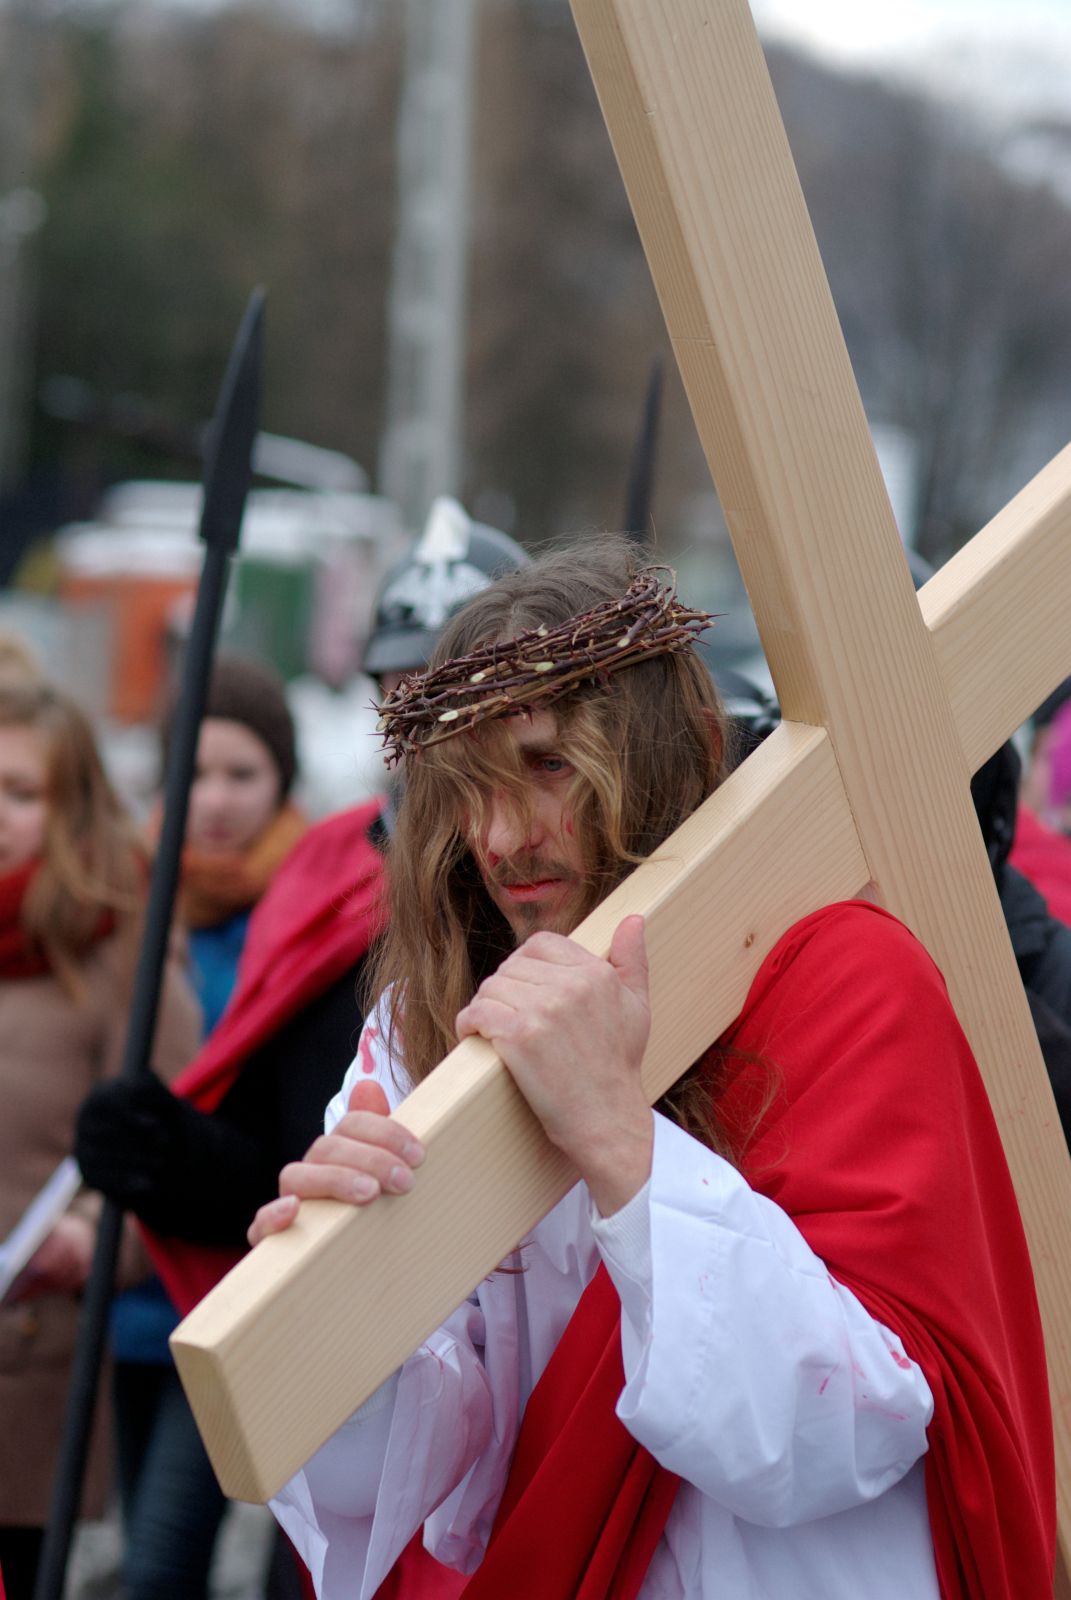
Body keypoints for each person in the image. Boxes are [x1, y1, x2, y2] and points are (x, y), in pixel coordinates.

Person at [251, 540, 1053, 1600]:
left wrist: (623, 1144)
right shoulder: (425, 1030)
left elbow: (846, 1430)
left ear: (660, 752)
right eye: (470, 788)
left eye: (547, 767)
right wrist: (345, 1314)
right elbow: (419, 1486)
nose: (502, 838)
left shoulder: (847, 980)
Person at [75, 504, 530, 1596]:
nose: (425, 716)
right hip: (353, 1341)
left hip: (515, 1332)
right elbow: (270, 1160)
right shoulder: (329, 869)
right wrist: (164, 1150)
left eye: (458, 685)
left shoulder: (552, 885)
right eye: (403, 685)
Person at [100, 650, 306, 1600]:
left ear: (282, 780)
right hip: (128, 1291)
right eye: (195, 773)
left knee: (164, 1563)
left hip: (235, 1291)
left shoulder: (308, 915)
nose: (215, 800)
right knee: (139, 1546)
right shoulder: (126, 904)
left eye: (241, 773)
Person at [0, 675, 200, 1600]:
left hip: (27, 1359)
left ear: (72, 805)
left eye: (21, 792)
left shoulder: (118, 944)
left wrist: (87, 1239)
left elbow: (166, 1137)